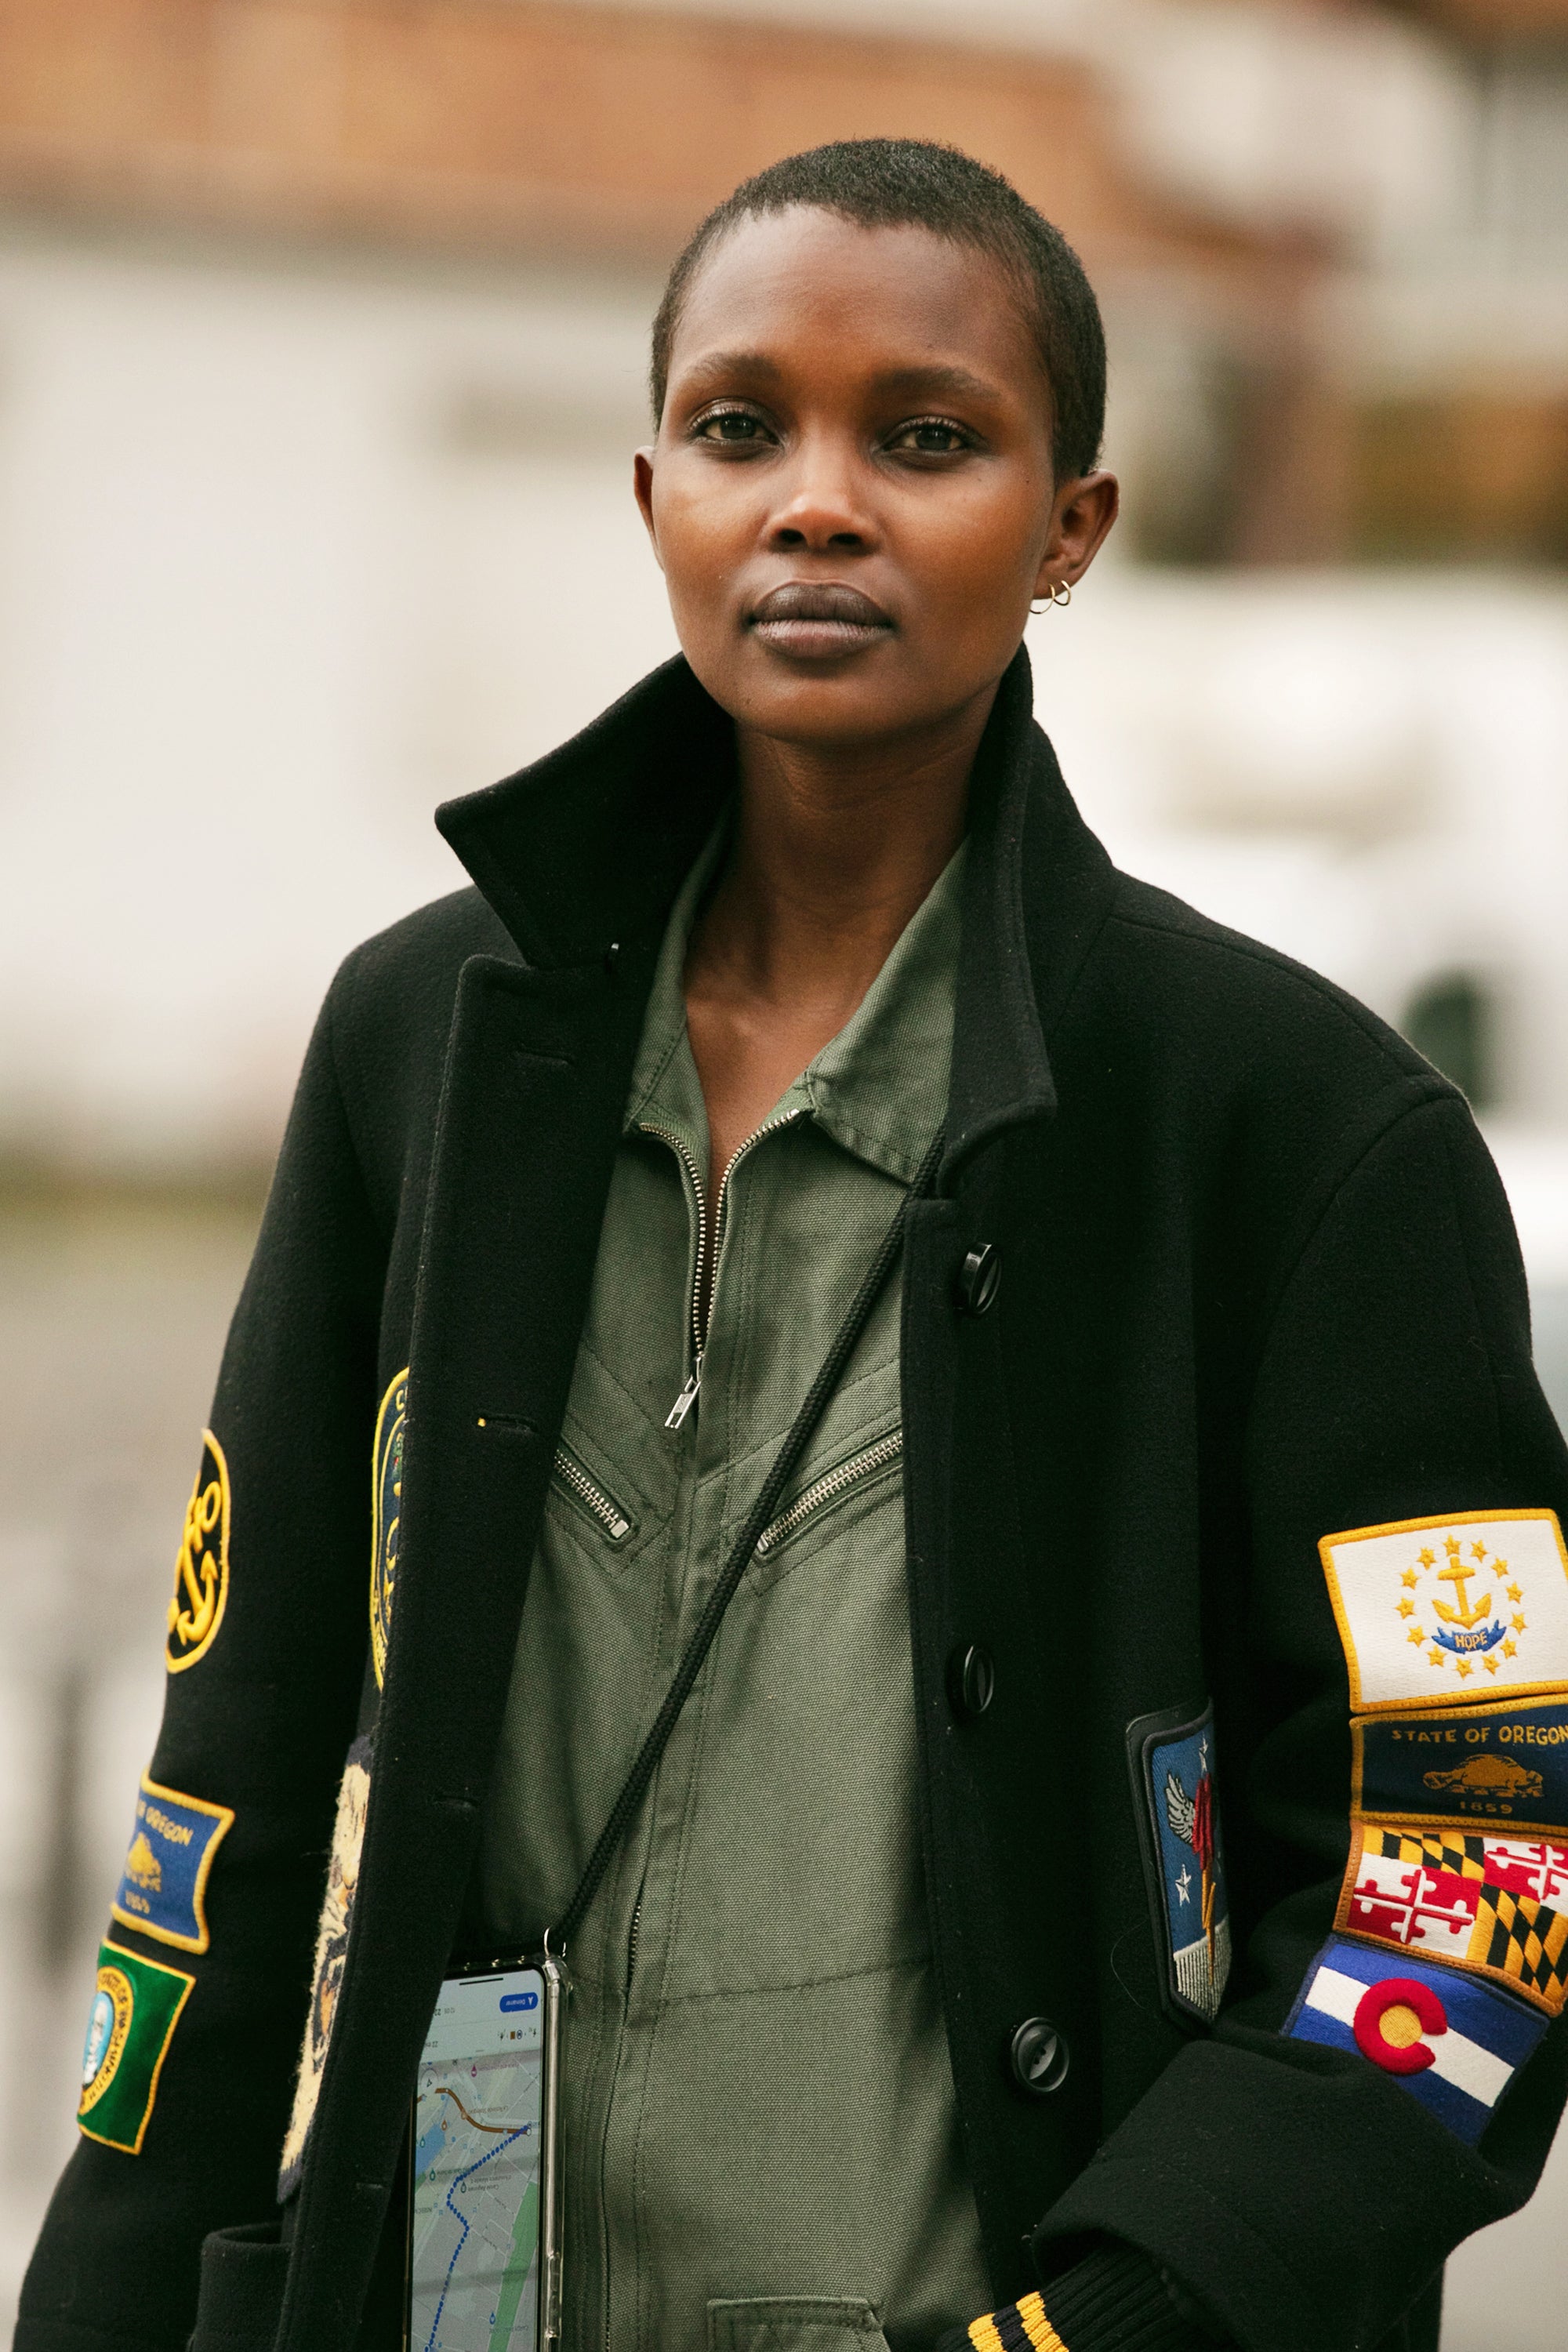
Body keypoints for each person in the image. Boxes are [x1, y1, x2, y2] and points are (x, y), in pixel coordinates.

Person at [17, 137, 1568, 2352]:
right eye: (744, 428)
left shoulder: (1303, 1128)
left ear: (1069, 530)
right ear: (651, 492)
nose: (818, 501)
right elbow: (236, 1778)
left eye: (925, 438)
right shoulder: (420, 1047)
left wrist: (1126, 2313)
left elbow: (1488, 1874)